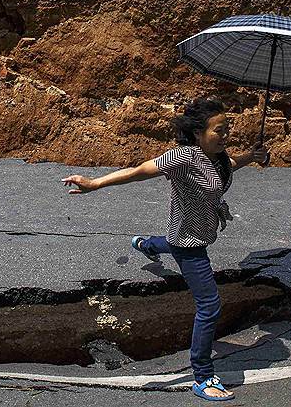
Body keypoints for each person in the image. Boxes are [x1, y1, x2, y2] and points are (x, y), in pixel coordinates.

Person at [61, 97, 269, 401]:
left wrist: (252, 155)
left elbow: (227, 168)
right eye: (219, 130)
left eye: (227, 130)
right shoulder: (183, 157)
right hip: (190, 243)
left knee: (166, 243)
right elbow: (139, 170)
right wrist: (95, 183)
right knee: (209, 306)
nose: (226, 136)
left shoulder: (219, 156)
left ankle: (145, 244)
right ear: (198, 133)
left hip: (188, 233)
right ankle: (202, 376)